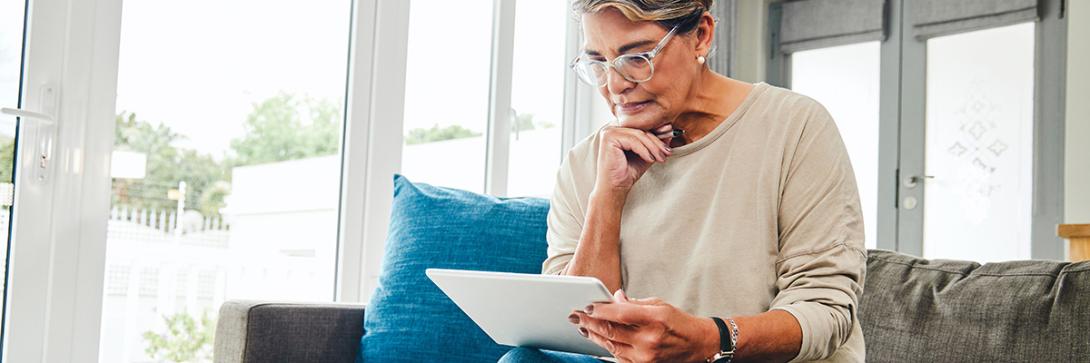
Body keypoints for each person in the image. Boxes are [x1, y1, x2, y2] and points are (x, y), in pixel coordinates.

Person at [499, 0, 866, 362]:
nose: (614, 85)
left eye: (637, 57)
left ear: (701, 36)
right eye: (598, 63)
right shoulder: (585, 163)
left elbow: (826, 310)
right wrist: (608, 195)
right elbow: (574, 331)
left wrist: (710, 339)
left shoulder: (795, 126)